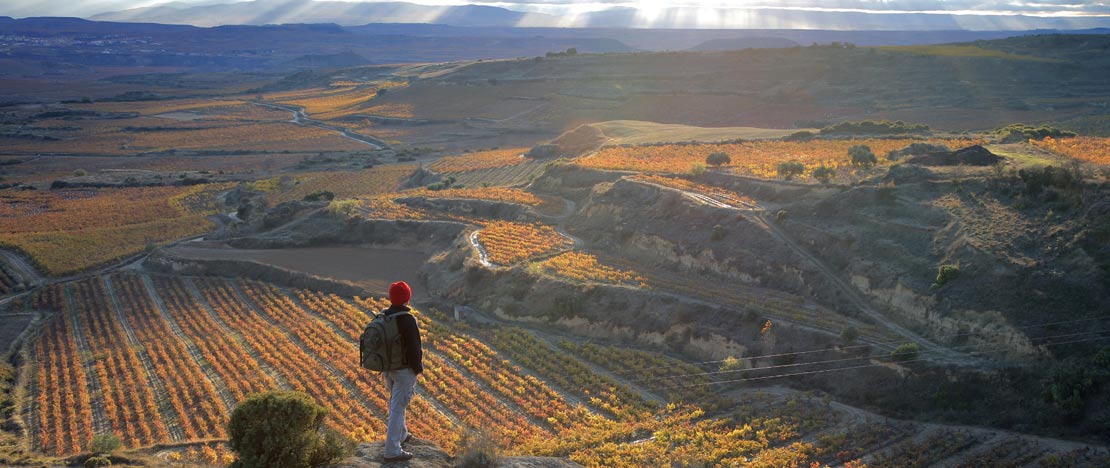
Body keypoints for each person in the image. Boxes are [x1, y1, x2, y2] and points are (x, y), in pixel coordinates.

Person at [382, 280, 423, 463]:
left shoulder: (385, 316)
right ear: (407, 298)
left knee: (396, 402)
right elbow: (415, 348)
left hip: (388, 367)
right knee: (398, 407)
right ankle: (392, 450)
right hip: (404, 370)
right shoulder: (407, 319)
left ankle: (403, 434)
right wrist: (417, 369)